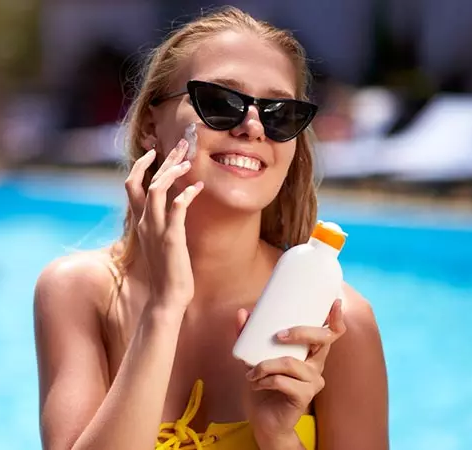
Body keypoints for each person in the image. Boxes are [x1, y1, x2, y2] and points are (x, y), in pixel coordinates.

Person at [34, 7, 388, 450]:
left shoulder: (337, 324)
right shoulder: (81, 292)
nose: (253, 126)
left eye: (279, 114)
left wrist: (278, 438)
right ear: (150, 125)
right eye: (220, 102)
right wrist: (163, 310)